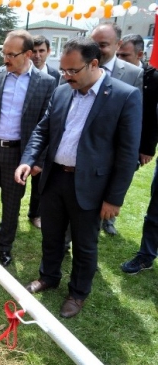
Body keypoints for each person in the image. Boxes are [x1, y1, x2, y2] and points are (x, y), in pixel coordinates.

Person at [15, 37, 142, 318]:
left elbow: (126, 153)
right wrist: (28, 160)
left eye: (72, 71)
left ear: (94, 64)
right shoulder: (61, 91)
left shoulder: (124, 96)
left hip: (91, 187)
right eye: (63, 70)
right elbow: (42, 130)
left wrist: (114, 198)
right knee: (51, 234)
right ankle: (48, 276)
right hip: (55, 178)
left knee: (85, 244)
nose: (66, 76)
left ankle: (78, 292)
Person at [0, 30, 56, 267]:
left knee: (11, 205)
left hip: (19, 155)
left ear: (28, 54)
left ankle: (4, 247)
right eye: (3, 52)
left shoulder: (47, 83)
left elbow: (46, 123)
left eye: (11, 54)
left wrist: (37, 160)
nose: (5, 58)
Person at [91, 22, 144, 236]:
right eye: (93, 43)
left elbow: (138, 116)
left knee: (105, 196)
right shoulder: (82, 66)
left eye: (102, 44)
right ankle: (67, 240)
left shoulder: (133, 74)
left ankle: (107, 221)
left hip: (112, 149)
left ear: (117, 44)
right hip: (82, 149)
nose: (97, 49)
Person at [117, 34, 158, 274]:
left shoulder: (152, 78)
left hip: (135, 144)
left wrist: (146, 147)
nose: (120, 60)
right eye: (118, 55)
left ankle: (108, 219)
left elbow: (151, 118)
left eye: (126, 56)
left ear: (140, 56)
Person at [27, 35, 61, 229]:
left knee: (40, 180)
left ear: (48, 51)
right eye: (35, 51)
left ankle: (35, 213)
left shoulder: (58, 76)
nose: (38, 56)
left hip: (47, 136)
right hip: (26, 134)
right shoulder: (24, 74)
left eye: (42, 51)